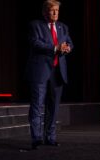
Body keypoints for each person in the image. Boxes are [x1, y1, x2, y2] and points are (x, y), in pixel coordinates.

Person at [26, 0, 73, 150]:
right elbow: (35, 43)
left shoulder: (63, 27)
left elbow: (70, 43)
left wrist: (67, 48)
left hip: (58, 72)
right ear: (44, 12)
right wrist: (55, 48)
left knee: (53, 107)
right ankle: (36, 138)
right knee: (37, 105)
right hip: (40, 71)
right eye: (52, 10)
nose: (55, 13)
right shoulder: (35, 25)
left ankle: (50, 138)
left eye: (57, 11)